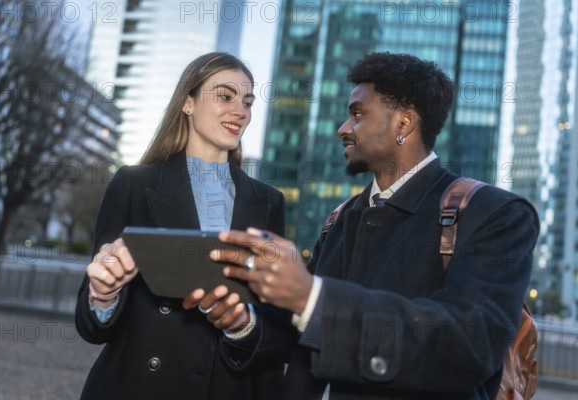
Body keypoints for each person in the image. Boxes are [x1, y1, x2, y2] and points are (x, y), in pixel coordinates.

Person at [212, 52, 539, 399]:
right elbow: (298, 332)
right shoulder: (340, 218)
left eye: (357, 114)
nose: (343, 129)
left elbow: (467, 346)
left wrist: (312, 296)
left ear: (404, 124)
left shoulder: (496, 213)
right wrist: (243, 322)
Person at [75, 52, 294, 400]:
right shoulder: (133, 184)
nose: (241, 111)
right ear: (188, 103)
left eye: (248, 102)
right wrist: (104, 293)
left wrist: (244, 326)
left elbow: (277, 326)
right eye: (225, 96)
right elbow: (91, 325)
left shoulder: (269, 201)